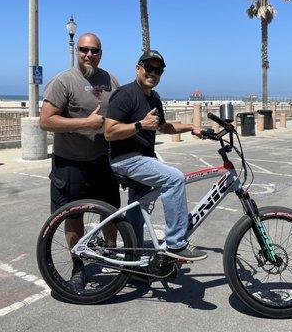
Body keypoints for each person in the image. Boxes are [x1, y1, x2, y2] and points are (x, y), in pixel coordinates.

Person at [104, 50, 207, 261]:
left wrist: (192, 127)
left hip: (145, 159)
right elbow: (109, 132)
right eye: (149, 68)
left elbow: (163, 127)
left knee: (137, 210)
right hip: (126, 159)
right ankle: (176, 244)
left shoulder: (154, 99)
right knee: (174, 178)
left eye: (158, 70)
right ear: (138, 69)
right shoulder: (125, 94)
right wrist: (140, 125)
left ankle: (132, 260)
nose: (153, 73)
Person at [39, 32, 120, 287]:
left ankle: (111, 255)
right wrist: (86, 123)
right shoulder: (63, 81)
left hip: (103, 161)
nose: (89, 55)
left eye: (94, 50)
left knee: (111, 215)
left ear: (101, 53)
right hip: (71, 163)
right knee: (74, 218)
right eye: (84, 50)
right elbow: (46, 121)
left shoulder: (111, 80)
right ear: (77, 52)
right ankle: (78, 266)